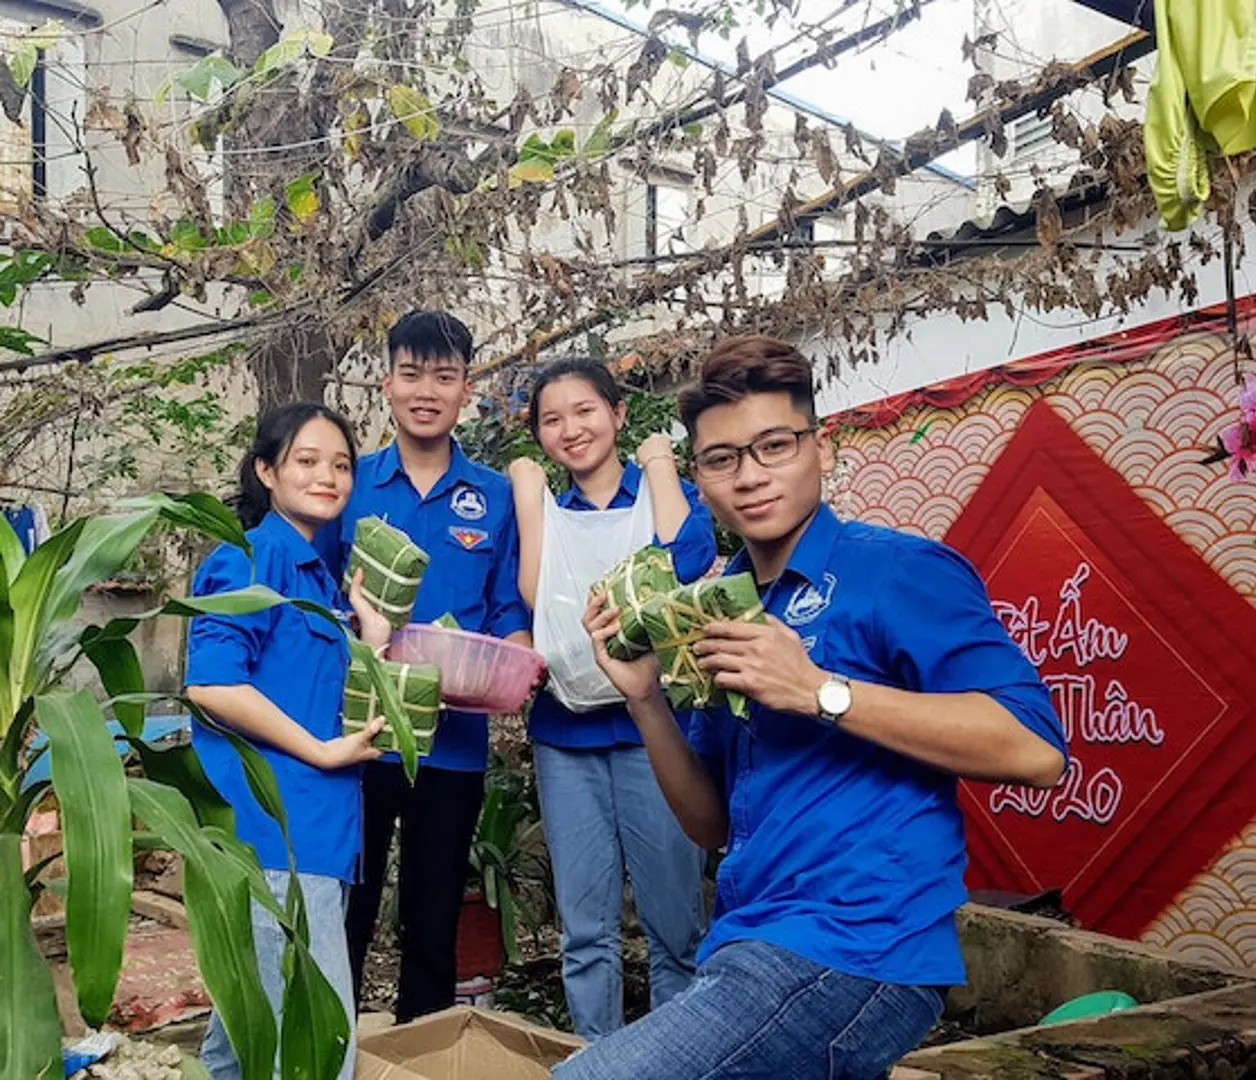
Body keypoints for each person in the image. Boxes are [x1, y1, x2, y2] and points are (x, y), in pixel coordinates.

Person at [559, 335, 1068, 1079]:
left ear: (819, 448)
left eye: (774, 446)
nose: (751, 476)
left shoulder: (896, 570)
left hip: (859, 950)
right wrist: (643, 701)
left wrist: (820, 691)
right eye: (723, 459)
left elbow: (1035, 750)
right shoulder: (720, 606)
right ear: (698, 478)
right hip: (749, 944)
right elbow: (710, 821)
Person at [326, 310, 534, 1023]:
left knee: (435, 905)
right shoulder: (348, 486)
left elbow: (507, 605)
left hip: (453, 746)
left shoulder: (496, 497)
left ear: (466, 390)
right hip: (360, 733)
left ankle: (422, 1045)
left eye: (443, 377)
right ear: (387, 383)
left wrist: (518, 656)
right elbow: (318, 595)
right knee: (346, 901)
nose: (426, 391)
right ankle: (334, 1051)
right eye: (411, 374)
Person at [506, 358, 717, 1039]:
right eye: (552, 419)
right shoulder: (545, 511)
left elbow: (684, 563)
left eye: (585, 411)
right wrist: (526, 500)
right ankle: (596, 1057)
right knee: (586, 931)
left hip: (655, 734)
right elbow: (536, 601)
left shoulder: (659, 489)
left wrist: (660, 466)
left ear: (619, 414)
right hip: (566, 737)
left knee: (674, 928)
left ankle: (677, 1057)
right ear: (538, 436)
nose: (571, 429)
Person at [187, 402, 391, 1080]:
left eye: (340, 465)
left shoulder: (315, 573)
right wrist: (321, 750)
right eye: (307, 461)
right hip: (275, 835)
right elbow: (212, 685)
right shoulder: (252, 557)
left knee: (242, 1040)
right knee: (318, 1047)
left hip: (311, 836)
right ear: (266, 470)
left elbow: (308, 683)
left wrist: (372, 636)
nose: (327, 476)